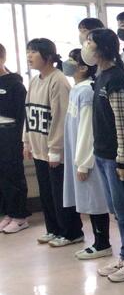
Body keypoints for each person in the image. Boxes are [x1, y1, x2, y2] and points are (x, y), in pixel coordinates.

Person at [88, 28, 124, 283]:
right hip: (102, 154)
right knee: (116, 209)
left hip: (115, 156)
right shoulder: (101, 76)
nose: (86, 46)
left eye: (90, 42)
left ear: (102, 48)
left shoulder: (116, 80)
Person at [24, 38, 84, 248]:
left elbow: (60, 118)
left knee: (60, 193)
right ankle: (54, 229)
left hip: (54, 150)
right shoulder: (34, 80)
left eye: (34, 52)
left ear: (48, 56)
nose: (29, 56)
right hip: (39, 147)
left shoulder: (58, 80)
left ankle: (71, 232)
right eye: (28, 51)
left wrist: (56, 149)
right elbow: (28, 113)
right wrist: (26, 141)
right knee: (47, 193)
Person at [61, 49, 112, 260]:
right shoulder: (77, 89)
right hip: (78, 156)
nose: (66, 63)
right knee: (88, 201)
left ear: (83, 67)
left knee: (95, 200)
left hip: (87, 158)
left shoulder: (87, 91)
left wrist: (83, 162)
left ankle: (102, 243)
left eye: (72, 60)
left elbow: (87, 130)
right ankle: (98, 242)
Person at [0, 42, 30, 234]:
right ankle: (8, 213)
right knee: (2, 176)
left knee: (13, 174)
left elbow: (22, 115)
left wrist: (23, 141)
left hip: (11, 135)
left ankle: (20, 216)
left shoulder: (15, 84)